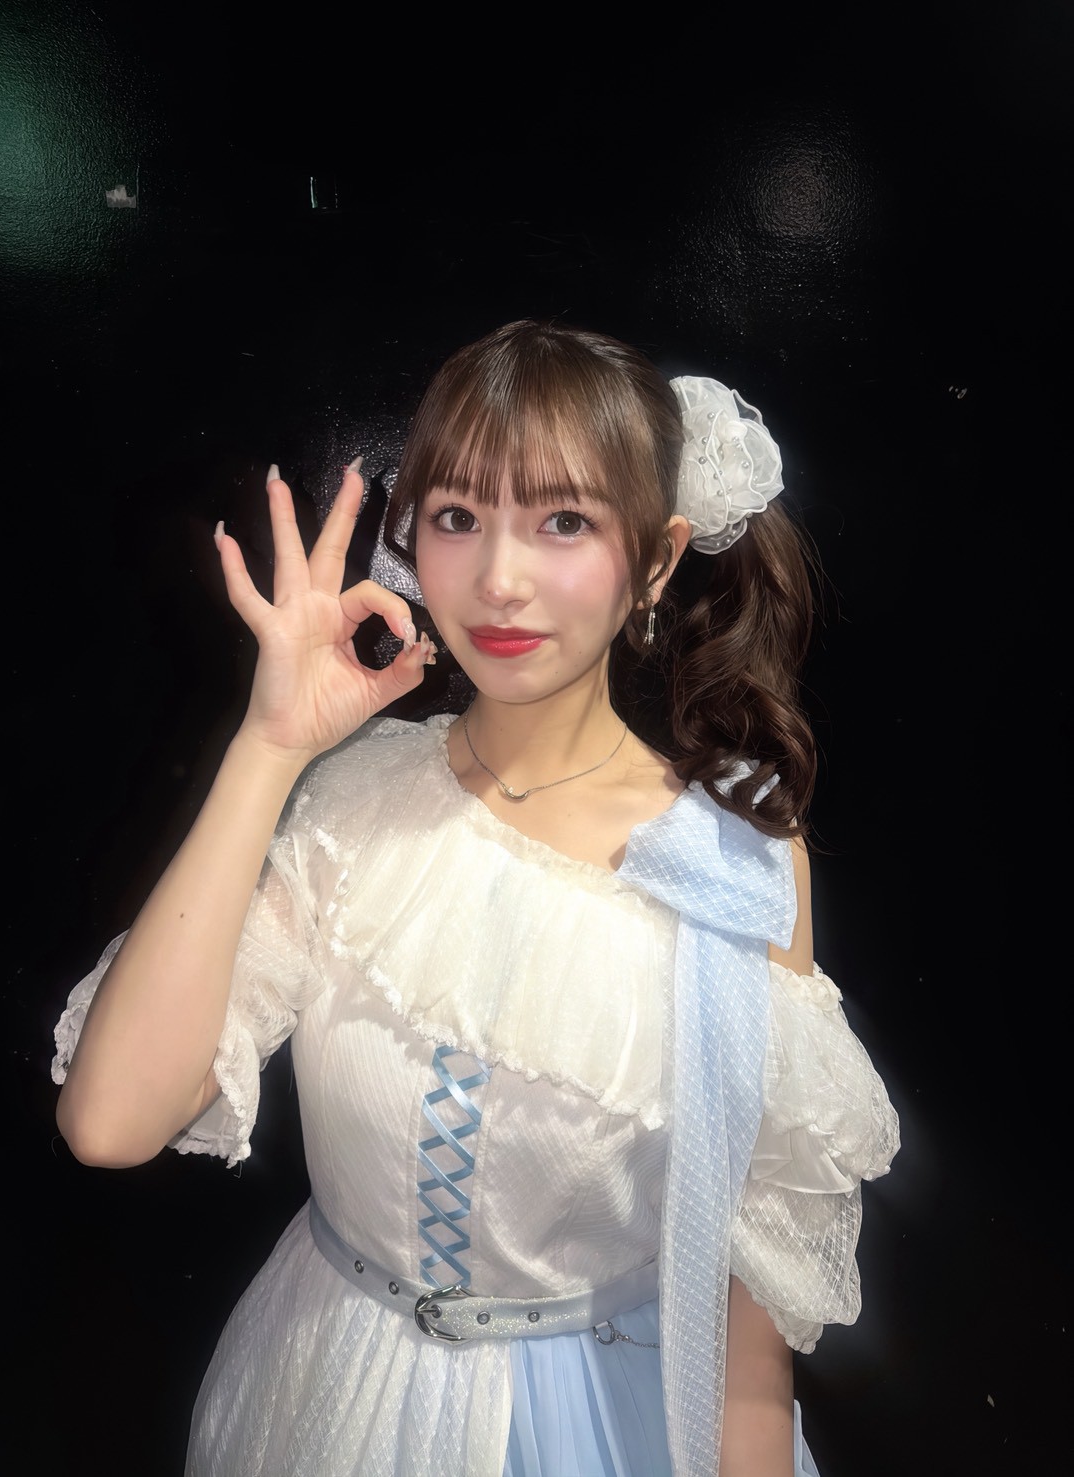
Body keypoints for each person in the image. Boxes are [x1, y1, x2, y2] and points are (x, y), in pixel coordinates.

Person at [53, 320, 899, 1477]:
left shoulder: (734, 863)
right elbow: (110, 1121)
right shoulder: (359, 795)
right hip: (322, 1395)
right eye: (457, 516)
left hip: (603, 1426)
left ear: (656, 562)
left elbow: (746, 1339)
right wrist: (269, 749)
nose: (500, 578)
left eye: (564, 521)